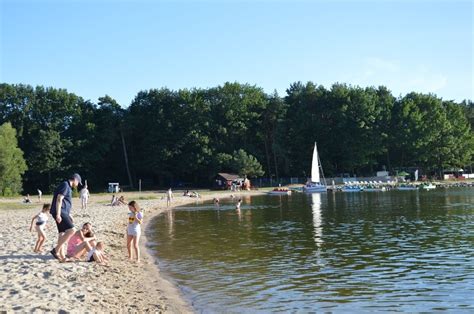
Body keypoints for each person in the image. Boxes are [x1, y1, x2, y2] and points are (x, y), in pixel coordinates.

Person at [50, 173, 82, 261]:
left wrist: (68, 214)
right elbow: (59, 199)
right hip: (60, 212)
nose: (78, 184)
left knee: (62, 233)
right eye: (78, 182)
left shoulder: (67, 186)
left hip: (62, 212)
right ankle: (55, 250)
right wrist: (58, 214)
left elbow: (64, 202)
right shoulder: (65, 185)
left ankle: (63, 257)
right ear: (75, 179)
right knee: (72, 230)